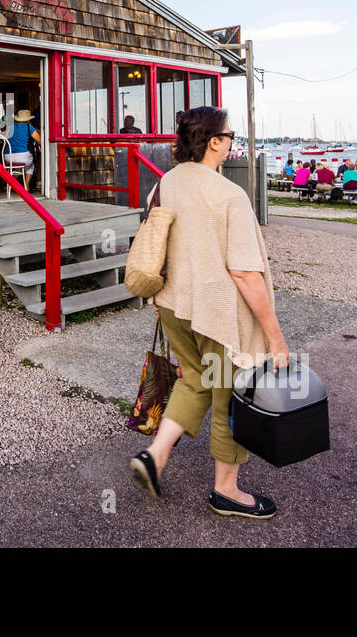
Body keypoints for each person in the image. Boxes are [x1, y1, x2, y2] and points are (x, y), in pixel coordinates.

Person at [128, 106, 288, 518]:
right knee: (231, 398)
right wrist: (275, 337)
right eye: (230, 135)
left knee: (197, 377)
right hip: (217, 314)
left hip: (172, 306)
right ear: (214, 142)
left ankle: (155, 455)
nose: (232, 141)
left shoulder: (165, 183)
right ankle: (226, 491)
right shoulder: (228, 194)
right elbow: (246, 273)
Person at [3, 108, 41, 183]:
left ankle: (10, 183)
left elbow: (5, 138)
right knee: (30, 167)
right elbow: (39, 140)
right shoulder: (29, 127)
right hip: (22, 156)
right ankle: (26, 187)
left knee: (19, 168)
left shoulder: (10, 127)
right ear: (28, 120)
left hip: (7, 156)